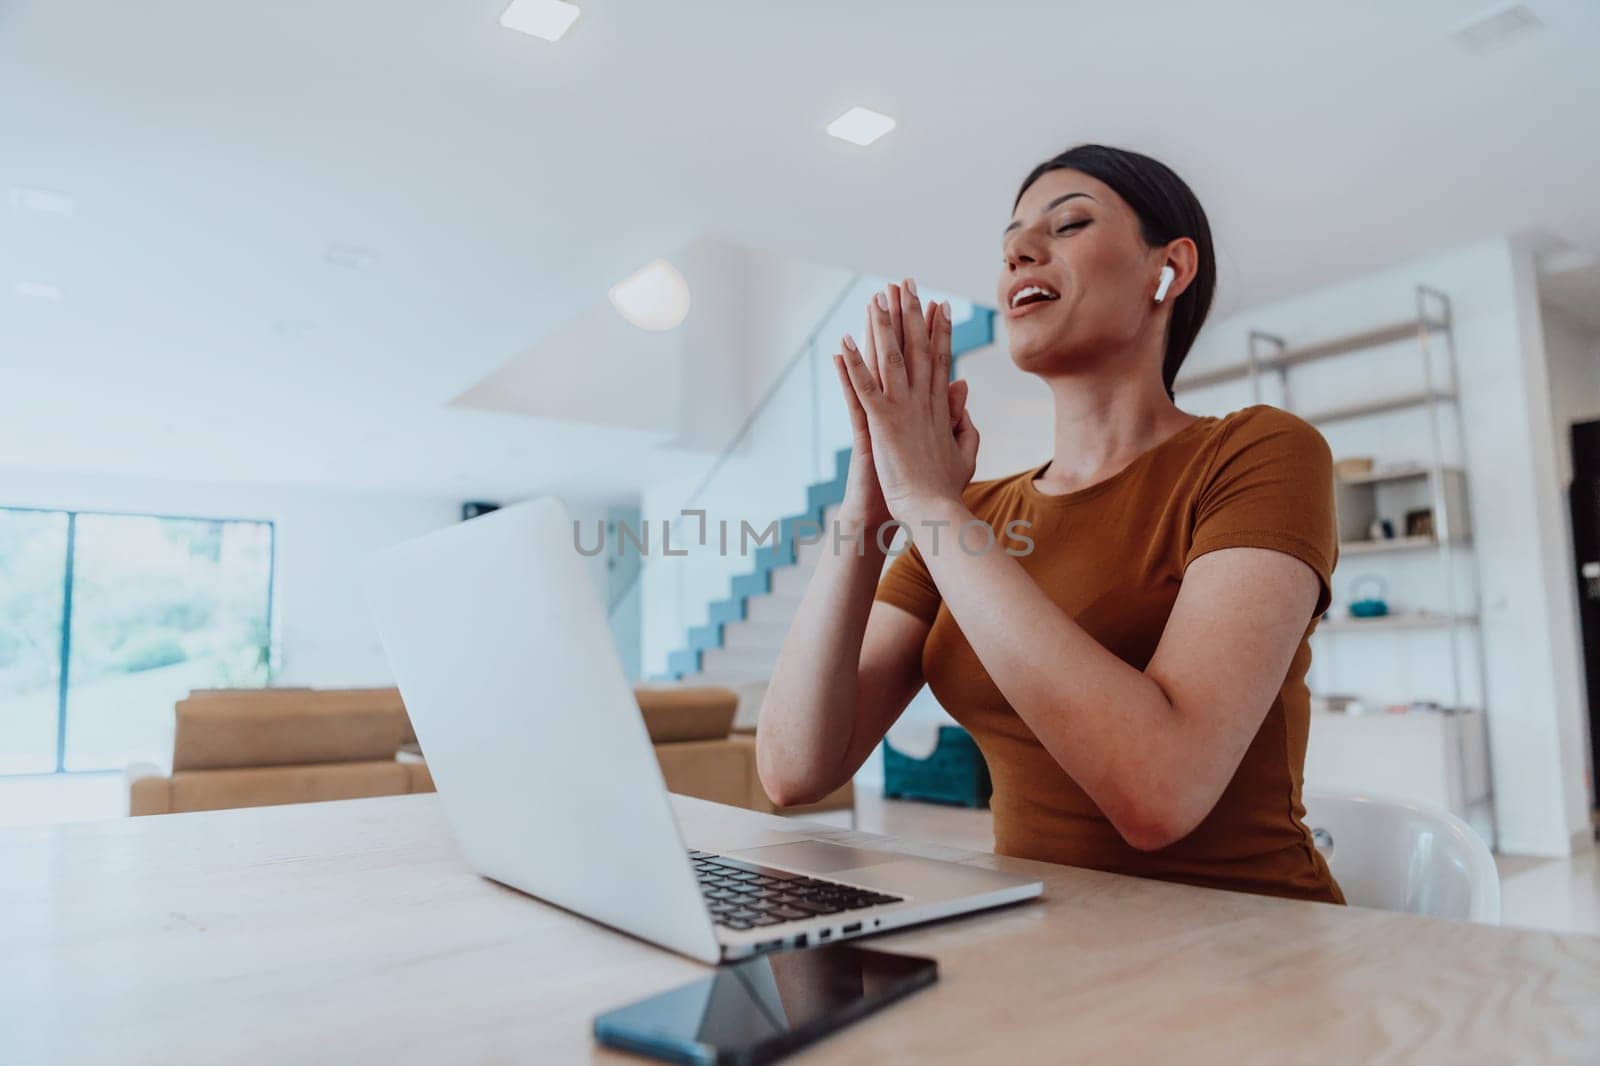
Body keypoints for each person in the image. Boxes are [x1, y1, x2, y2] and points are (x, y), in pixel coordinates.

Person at [755, 144, 1343, 903]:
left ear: (1169, 269)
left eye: (1067, 225)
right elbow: (794, 768)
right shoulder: (974, 517)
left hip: (1252, 947)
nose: (1020, 252)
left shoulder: (1257, 452)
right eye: (1010, 245)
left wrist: (931, 508)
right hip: (1044, 950)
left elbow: (1160, 793)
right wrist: (870, 505)